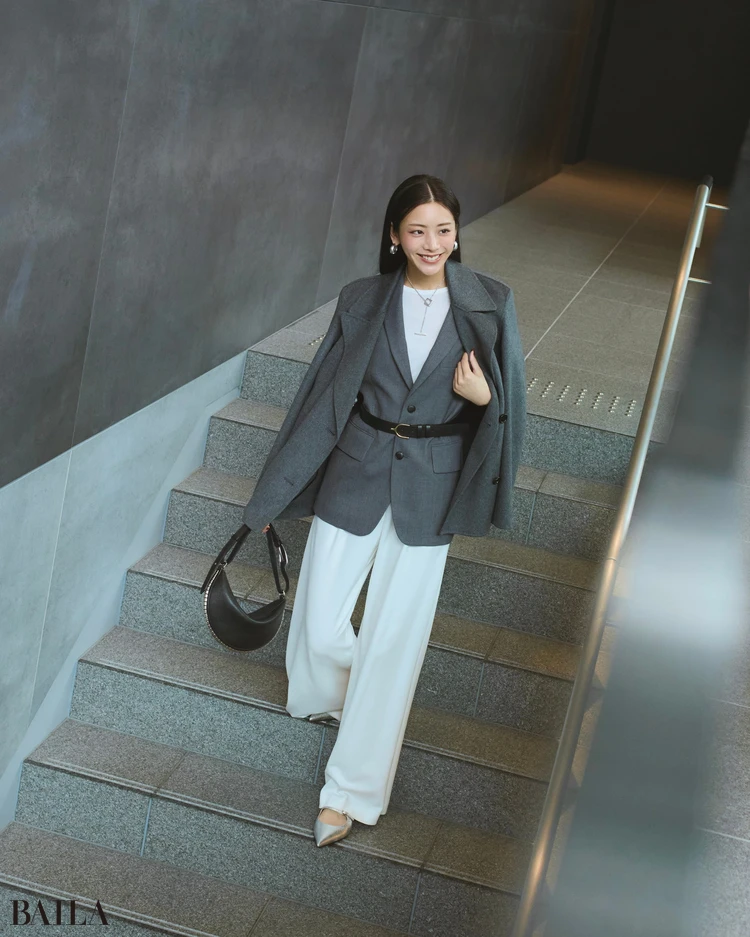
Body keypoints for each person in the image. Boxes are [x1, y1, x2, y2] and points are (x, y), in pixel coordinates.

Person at [242, 174, 526, 847]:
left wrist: (483, 399)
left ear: (458, 234)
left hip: (432, 486)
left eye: (444, 230)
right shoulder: (362, 299)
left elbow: (513, 410)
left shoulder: (489, 303)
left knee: (394, 645)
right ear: (393, 235)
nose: (432, 243)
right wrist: (271, 494)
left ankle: (349, 794)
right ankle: (349, 698)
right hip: (356, 470)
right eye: (418, 230)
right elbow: (321, 398)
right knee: (317, 625)